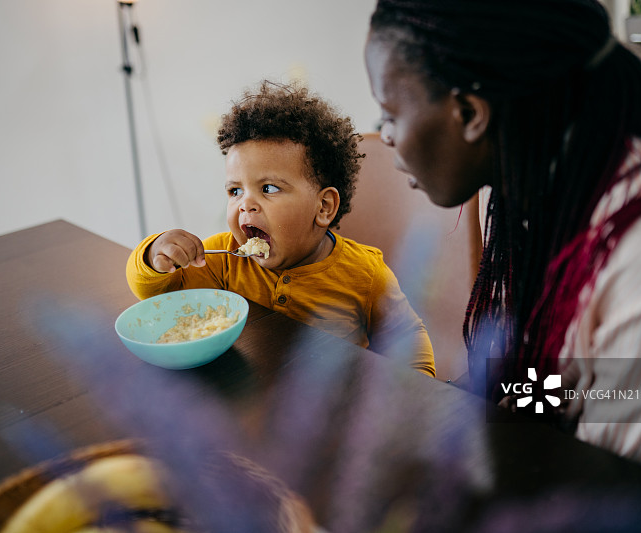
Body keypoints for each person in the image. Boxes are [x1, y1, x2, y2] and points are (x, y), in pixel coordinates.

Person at [365, 0, 641, 489]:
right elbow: (576, 378)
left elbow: (619, 500)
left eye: (389, 114)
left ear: (469, 112)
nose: (384, 136)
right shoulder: (546, 188)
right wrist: (527, 400)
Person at [126, 81, 436, 378]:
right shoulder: (224, 258)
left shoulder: (365, 273)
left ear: (324, 207)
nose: (245, 204)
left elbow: (406, 337)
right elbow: (159, 295)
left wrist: (418, 392)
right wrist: (155, 256)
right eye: (235, 191)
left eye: (269, 188)